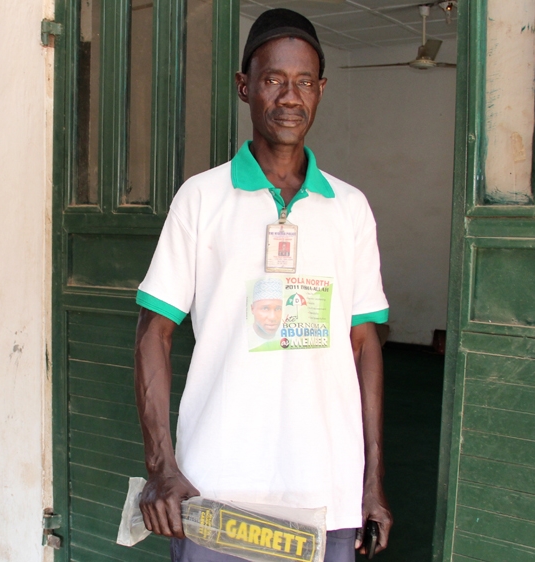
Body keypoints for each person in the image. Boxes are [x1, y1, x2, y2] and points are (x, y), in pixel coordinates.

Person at [133, 8, 392, 562]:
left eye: (305, 82)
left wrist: (371, 481)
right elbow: (154, 332)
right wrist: (162, 467)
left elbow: (364, 343)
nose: (290, 97)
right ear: (244, 86)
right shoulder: (201, 199)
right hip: (215, 488)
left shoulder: (349, 209)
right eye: (273, 79)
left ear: (321, 90)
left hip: (326, 490)